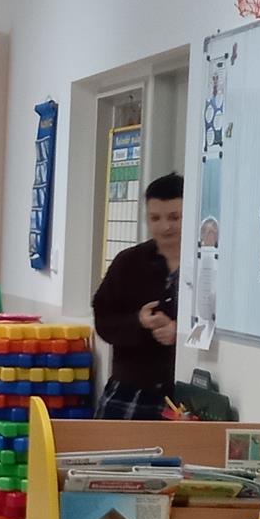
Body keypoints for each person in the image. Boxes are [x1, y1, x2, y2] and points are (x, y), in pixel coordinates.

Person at [92, 171, 183, 420]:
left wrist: (180, 332)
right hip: (130, 388)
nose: (165, 227)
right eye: (155, 218)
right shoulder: (128, 262)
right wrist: (139, 321)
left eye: (175, 217)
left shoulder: (208, 265)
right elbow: (103, 321)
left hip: (182, 394)